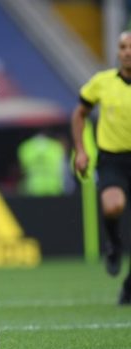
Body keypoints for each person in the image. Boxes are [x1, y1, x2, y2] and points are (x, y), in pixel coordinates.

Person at [71, 31, 131, 305]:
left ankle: (128, 287)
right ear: (118, 52)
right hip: (112, 159)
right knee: (112, 206)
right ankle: (114, 245)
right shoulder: (102, 82)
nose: (128, 51)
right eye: (123, 47)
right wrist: (81, 151)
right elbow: (79, 113)